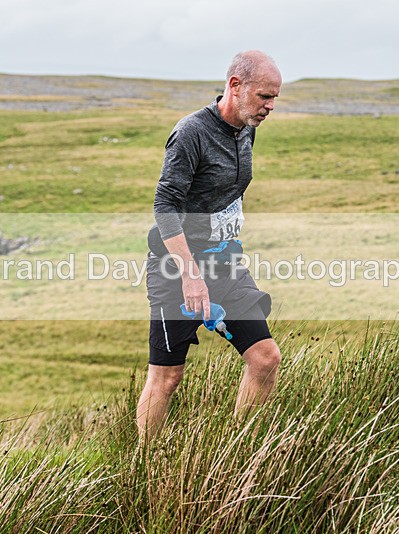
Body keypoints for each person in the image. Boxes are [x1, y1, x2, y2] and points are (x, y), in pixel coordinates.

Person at [137, 50, 283, 439]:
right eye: (264, 97)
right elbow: (164, 205)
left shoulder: (247, 127)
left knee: (265, 358)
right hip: (176, 267)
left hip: (225, 264)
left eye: (274, 99)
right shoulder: (191, 133)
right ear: (235, 86)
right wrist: (191, 275)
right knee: (167, 378)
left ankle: (237, 456)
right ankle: (143, 466)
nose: (269, 107)